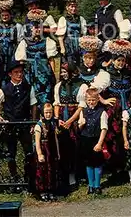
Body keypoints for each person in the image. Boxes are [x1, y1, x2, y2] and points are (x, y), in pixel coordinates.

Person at [0, 60, 38, 188]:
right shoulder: (4, 90)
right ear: (10, 74)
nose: (19, 75)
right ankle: (14, 179)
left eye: (21, 72)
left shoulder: (28, 87)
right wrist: (0, 119)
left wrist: (33, 123)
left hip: (24, 124)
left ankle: (29, 179)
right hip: (10, 126)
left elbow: (33, 105)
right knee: (11, 154)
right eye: (16, 72)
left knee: (29, 152)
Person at [102, 39, 131, 173]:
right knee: (114, 135)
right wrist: (104, 101)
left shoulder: (130, 73)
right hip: (114, 109)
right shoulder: (107, 74)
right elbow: (95, 90)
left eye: (123, 61)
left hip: (128, 107)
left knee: (130, 134)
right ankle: (115, 164)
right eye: (118, 61)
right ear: (113, 61)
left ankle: (130, 163)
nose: (120, 63)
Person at [15, 9, 57, 109]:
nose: (37, 30)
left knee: (45, 94)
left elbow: (51, 60)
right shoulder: (25, 42)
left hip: (44, 72)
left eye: (39, 27)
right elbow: (21, 61)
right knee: (30, 94)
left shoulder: (47, 41)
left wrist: (54, 76)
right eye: (35, 27)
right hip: (30, 72)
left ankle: (45, 115)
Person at [53, 61, 85, 190]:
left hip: (74, 119)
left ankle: (73, 177)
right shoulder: (59, 86)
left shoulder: (81, 85)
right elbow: (56, 103)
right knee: (61, 147)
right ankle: (62, 177)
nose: (63, 74)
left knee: (74, 147)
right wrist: (57, 119)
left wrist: (70, 121)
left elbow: (81, 106)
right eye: (62, 72)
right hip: (61, 119)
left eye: (65, 72)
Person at [78, 88, 109, 195]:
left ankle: (97, 185)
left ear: (97, 100)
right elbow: (80, 127)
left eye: (93, 100)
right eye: (89, 100)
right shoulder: (83, 111)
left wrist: (100, 143)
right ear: (86, 100)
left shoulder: (102, 112)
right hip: (86, 139)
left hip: (96, 140)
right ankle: (90, 185)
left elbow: (104, 129)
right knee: (89, 163)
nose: (91, 102)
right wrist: (81, 124)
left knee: (97, 163)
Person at [0, 0, 23, 92]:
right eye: (3, 15)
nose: (5, 17)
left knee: (10, 71)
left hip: (11, 52)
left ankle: (11, 91)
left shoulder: (17, 26)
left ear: (10, 15)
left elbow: (20, 42)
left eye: (6, 15)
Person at [35, 103, 61, 201]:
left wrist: (58, 152)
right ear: (42, 113)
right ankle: (43, 191)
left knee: (52, 170)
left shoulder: (53, 123)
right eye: (46, 112)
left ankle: (51, 190)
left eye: (50, 112)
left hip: (52, 149)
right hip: (43, 149)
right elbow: (37, 141)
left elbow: (55, 138)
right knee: (42, 171)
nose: (48, 114)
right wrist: (39, 154)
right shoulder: (39, 125)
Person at [57, 0, 87, 65]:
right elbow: (60, 37)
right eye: (71, 6)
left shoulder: (81, 19)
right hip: (68, 45)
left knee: (80, 64)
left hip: (79, 45)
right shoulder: (63, 19)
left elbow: (83, 34)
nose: (73, 8)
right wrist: (62, 48)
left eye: (75, 6)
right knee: (70, 65)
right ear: (67, 7)